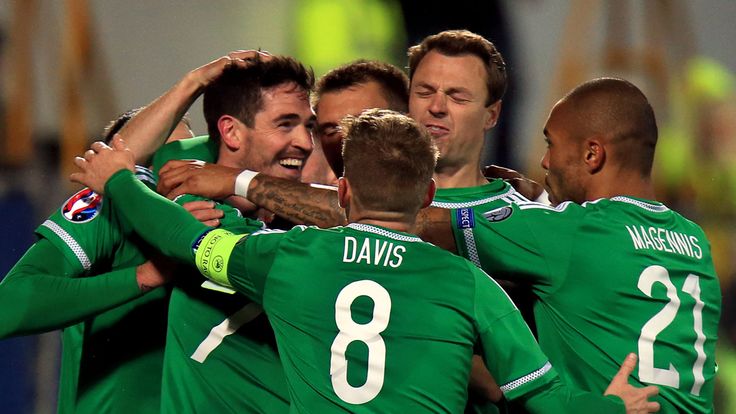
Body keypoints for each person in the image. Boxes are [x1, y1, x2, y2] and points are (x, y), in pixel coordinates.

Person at [71, 109, 659, 413]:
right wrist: (610, 408)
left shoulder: (290, 259)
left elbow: (187, 242)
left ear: (344, 192)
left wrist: (121, 183)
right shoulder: (470, 286)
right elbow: (541, 400)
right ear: (429, 197)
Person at [446, 77, 721, 413]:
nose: (545, 162)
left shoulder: (567, 233)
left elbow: (422, 223)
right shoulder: (695, 242)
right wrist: (543, 205)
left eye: (551, 144)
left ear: (593, 154)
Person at [119, 51, 315, 413]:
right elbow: (118, 158)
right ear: (231, 131)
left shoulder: (307, 218)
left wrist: (239, 181)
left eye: (310, 126)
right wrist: (194, 82)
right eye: (286, 124)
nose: (306, 142)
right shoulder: (191, 207)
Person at [0, 111, 193, 414]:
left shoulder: (220, 234)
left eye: (191, 156)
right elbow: (7, 306)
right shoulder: (106, 213)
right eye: (163, 157)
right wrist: (144, 275)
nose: (181, 169)